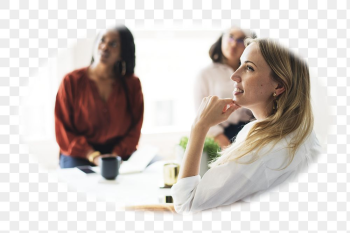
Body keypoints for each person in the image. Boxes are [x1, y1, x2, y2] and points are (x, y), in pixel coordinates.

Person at [171, 38, 321, 214]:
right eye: (240, 64)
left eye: (249, 68)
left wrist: (199, 126)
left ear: (279, 85)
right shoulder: (297, 132)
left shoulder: (265, 151)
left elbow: (185, 203)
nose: (234, 75)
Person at [55, 25, 144, 168]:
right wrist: (94, 156)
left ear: (123, 51)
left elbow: (135, 129)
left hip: (119, 153)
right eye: (102, 40)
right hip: (79, 154)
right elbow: (63, 130)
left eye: (113, 44)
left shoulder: (132, 84)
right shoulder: (71, 81)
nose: (105, 47)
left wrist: (115, 156)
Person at [194, 27, 256, 148]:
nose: (233, 44)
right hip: (221, 136)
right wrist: (223, 143)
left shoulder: (255, 72)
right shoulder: (205, 74)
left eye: (240, 40)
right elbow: (200, 114)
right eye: (231, 37)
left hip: (251, 132)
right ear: (222, 37)